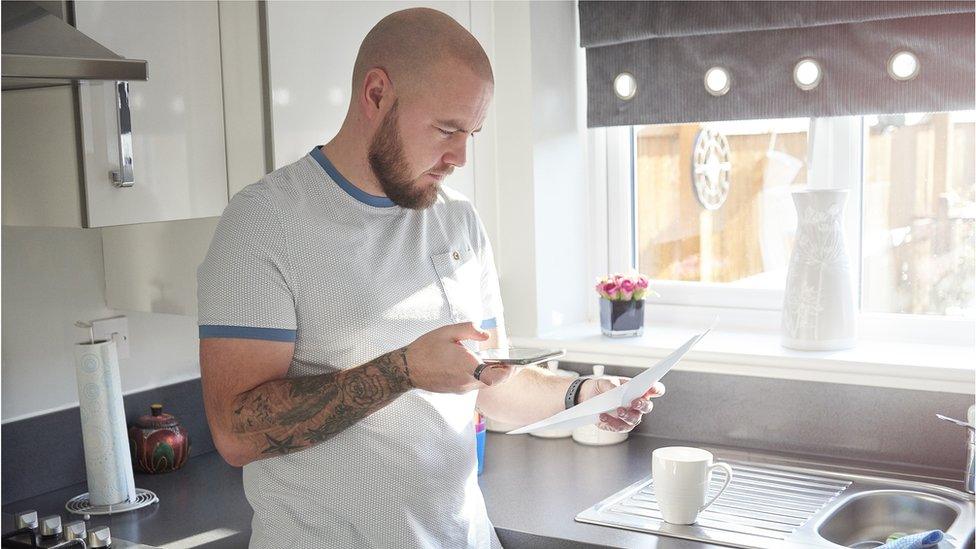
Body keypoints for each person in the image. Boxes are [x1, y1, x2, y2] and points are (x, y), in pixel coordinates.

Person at [197, 7, 664, 549]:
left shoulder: (456, 218)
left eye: (472, 132)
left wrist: (586, 394)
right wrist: (403, 371)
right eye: (446, 128)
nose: (460, 155)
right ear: (376, 95)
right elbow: (235, 433)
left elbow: (491, 387)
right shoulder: (264, 223)